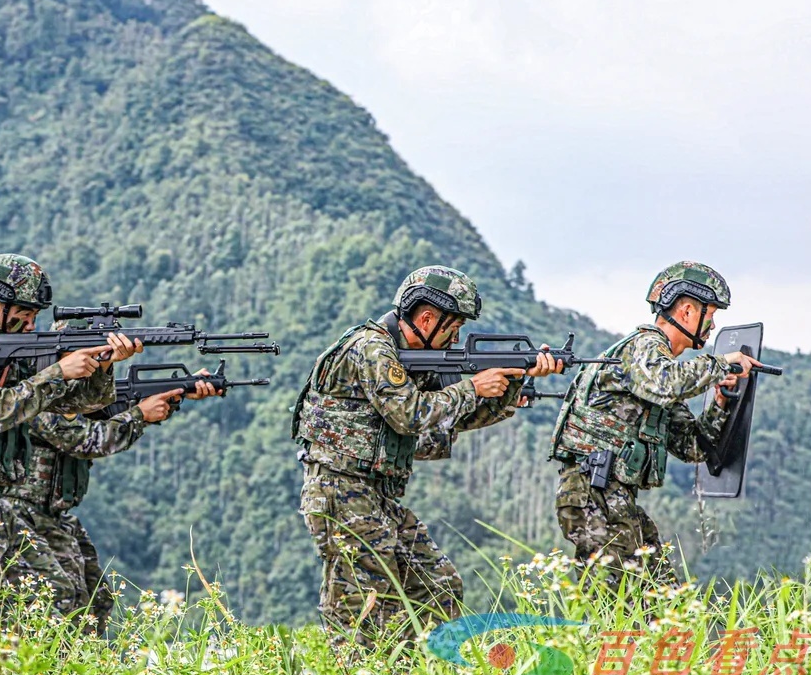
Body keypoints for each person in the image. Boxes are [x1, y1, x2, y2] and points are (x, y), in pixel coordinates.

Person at [292, 265, 561, 650]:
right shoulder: (372, 349)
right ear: (426, 317)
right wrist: (472, 387)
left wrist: (511, 382)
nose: (456, 338)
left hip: (376, 495)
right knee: (363, 608)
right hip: (341, 491)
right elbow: (411, 415)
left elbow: (451, 418)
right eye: (453, 327)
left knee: (438, 585)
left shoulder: (408, 357)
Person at [0, 254, 140, 638]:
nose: (32, 324)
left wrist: (102, 365)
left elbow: (74, 405)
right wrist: (58, 371)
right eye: (25, 314)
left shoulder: (5, 349)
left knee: (52, 602)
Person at [550, 261, 760, 586]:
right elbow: (666, 383)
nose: (714, 324)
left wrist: (719, 401)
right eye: (711, 313)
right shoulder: (645, 348)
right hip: (594, 494)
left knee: (664, 605)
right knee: (616, 606)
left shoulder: (657, 368)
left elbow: (690, 446)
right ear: (688, 311)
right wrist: (721, 364)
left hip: (614, 497)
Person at [2, 359, 218, 635]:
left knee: (96, 599)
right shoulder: (35, 394)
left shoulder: (72, 393)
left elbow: (107, 411)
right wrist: (140, 415)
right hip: (21, 513)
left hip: (52, 514)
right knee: (59, 603)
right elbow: (87, 439)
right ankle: (43, 668)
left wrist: (177, 393)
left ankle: (78, 668)